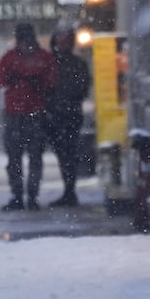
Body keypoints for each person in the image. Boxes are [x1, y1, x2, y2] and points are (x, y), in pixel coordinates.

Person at [0, 23, 57, 211]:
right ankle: (20, 195)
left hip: (33, 114)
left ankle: (30, 195)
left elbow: (52, 80)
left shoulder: (38, 57)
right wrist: (12, 79)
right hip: (17, 114)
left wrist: (38, 83)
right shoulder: (13, 58)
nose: (26, 44)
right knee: (16, 158)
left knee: (32, 156)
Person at [46, 24, 91, 208]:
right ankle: (69, 190)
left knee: (67, 154)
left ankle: (69, 191)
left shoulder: (70, 63)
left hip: (65, 114)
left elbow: (81, 89)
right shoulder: (56, 62)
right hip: (61, 114)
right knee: (66, 154)